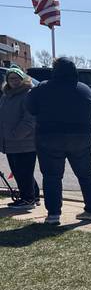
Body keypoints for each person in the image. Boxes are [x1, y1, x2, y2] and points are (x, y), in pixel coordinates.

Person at [26, 58, 91, 225]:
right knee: (86, 174)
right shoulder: (84, 89)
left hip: (49, 137)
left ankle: (53, 214)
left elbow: (30, 107)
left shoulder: (43, 88)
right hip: (81, 137)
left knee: (52, 176)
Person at [0, 67, 40, 208]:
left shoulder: (27, 94)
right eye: (11, 79)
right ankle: (33, 196)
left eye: (17, 78)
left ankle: (28, 200)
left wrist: (15, 134)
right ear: (7, 80)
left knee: (24, 172)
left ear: (23, 79)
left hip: (25, 142)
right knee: (19, 172)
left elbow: (30, 120)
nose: (14, 81)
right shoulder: (6, 96)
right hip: (10, 143)